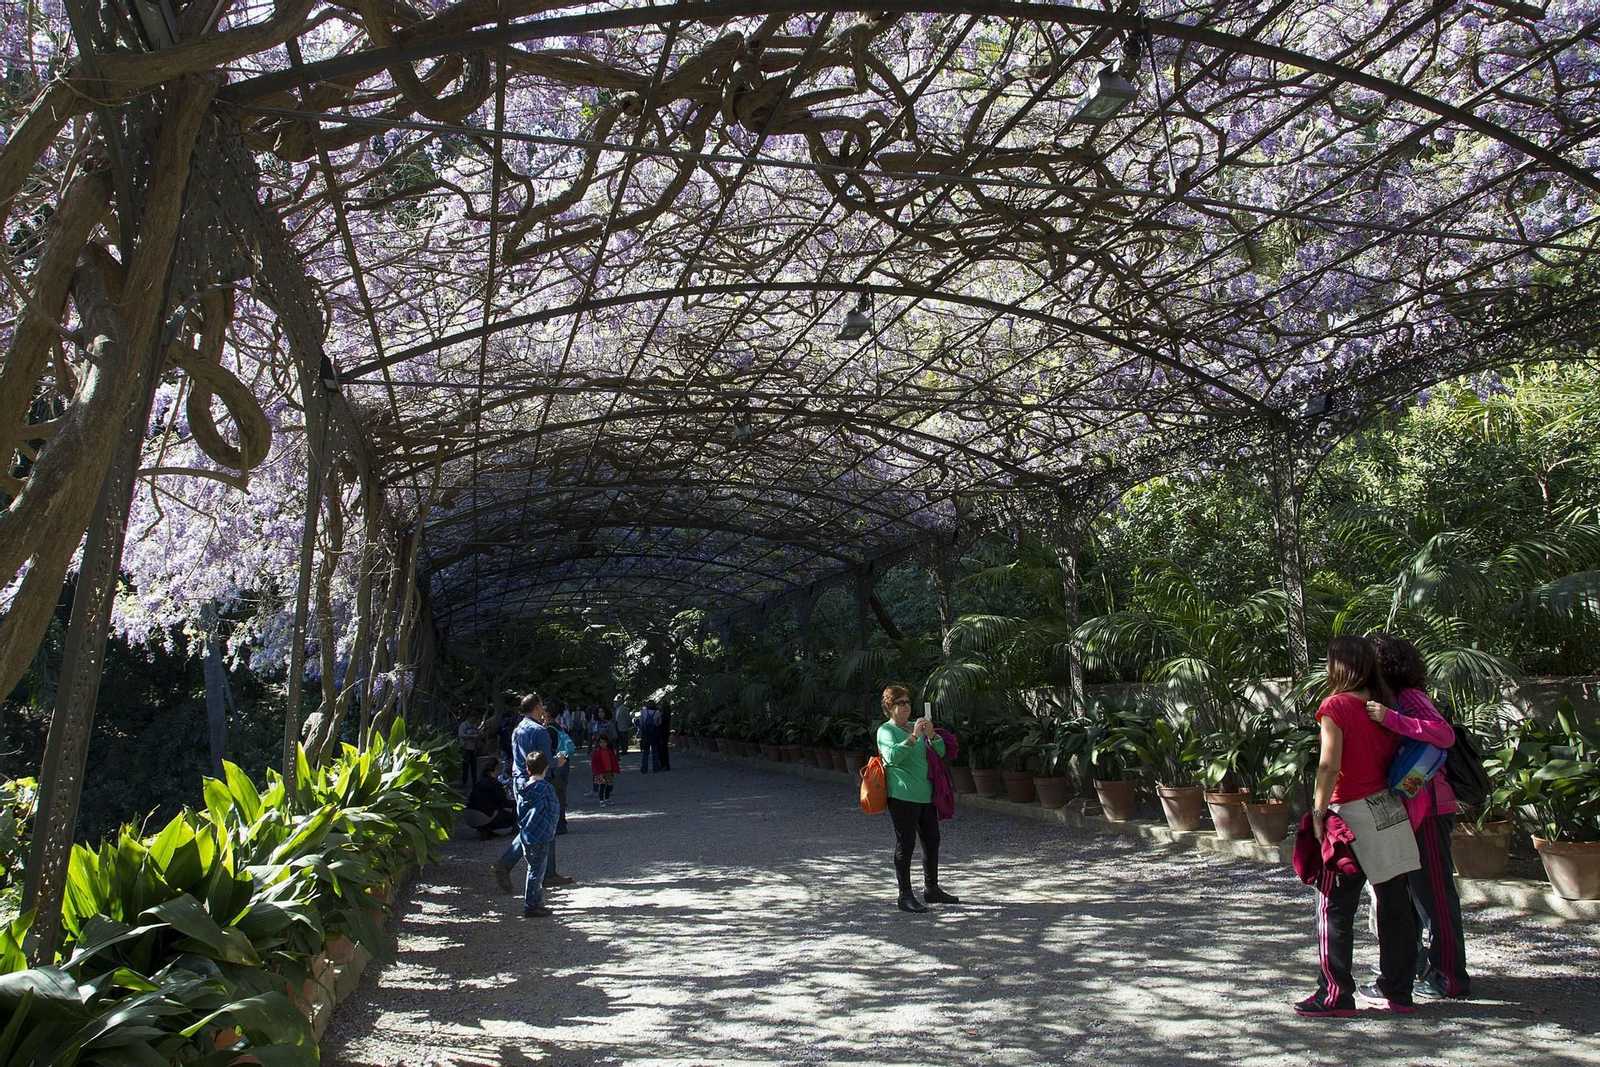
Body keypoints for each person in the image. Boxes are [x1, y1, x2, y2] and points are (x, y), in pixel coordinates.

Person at [1296, 636, 1420, 1019]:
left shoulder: (1336, 706)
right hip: (1388, 809)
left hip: (1349, 812)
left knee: (1334, 904)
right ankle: (1398, 991)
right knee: (1396, 904)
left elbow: (1329, 765)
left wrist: (1318, 813)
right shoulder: (1383, 707)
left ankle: (1334, 995)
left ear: (1339, 667)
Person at [1370, 632, 1470, 1000]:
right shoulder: (1391, 699)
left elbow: (1443, 735)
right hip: (1410, 809)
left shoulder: (1409, 697)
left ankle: (1450, 976)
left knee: (1434, 895)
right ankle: (1419, 966)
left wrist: (1392, 719)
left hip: (1429, 807)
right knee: (1413, 894)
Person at [876, 684, 958, 913]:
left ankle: (932, 888)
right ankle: (905, 895)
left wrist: (931, 734)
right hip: (902, 796)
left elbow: (940, 752)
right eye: (899, 703)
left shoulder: (917, 728)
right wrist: (914, 737)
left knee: (932, 841)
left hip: (926, 795)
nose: (905, 707)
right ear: (889, 708)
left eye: (907, 702)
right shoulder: (886, 731)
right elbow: (892, 756)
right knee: (906, 844)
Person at [491, 693, 574, 893]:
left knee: (533, 826)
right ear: (537, 706)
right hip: (537, 782)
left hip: (519, 781)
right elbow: (546, 759)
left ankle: (547, 872)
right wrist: (559, 761)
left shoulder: (518, 729)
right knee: (541, 826)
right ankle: (509, 864)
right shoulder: (539, 731)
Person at [516, 751, 561, 918]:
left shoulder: (523, 789)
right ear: (546, 768)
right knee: (538, 871)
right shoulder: (546, 788)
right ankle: (531, 904)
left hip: (527, 833)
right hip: (542, 833)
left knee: (531, 868)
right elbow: (554, 809)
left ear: (527, 769)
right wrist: (553, 827)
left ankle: (535, 900)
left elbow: (520, 812)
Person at [544, 703, 576, 835]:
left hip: (555, 766)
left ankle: (558, 825)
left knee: (554, 796)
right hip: (564, 764)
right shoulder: (558, 728)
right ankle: (561, 823)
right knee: (561, 795)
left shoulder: (547, 731)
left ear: (548, 714)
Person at [464, 756, 515, 837]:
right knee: (511, 817)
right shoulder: (495, 783)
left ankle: (484, 829)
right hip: (484, 814)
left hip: (469, 814)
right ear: (495, 768)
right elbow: (503, 803)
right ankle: (487, 828)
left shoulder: (478, 782)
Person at [456, 710, 484, 788]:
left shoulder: (474, 725)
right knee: (465, 766)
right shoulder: (464, 725)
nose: (474, 719)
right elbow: (460, 734)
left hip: (473, 748)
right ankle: (464, 782)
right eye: (473, 717)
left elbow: (478, 733)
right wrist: (470, 736)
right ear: (469, 718)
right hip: (465, 748)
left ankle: (475, 782)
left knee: (474, 766)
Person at [591, 733, 620, 805]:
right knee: (602, 786)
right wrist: (596, 771)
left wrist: (615, 768)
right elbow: (594, 762)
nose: (602, 744)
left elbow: (613, 760)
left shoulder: (609, 751)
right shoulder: (597, 752)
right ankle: (601, 799)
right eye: (601, 742)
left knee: (609, 786)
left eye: (604, 742)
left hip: (609, 770)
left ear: (607, 743)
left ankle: (607, 798)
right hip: (601, 771)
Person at [637, 701, 660, 773]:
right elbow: (659, 723)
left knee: (645, 752)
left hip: (646, 734)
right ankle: (655, 768)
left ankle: (644, 768)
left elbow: (641, 722)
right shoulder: (657, 712)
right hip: (654, 733)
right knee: (655, 751)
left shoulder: (643, 712)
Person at [656, 701, 672, 771]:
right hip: (663, 732)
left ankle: (665, 764)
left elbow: (661, 723)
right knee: (662, 749)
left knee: (663, 749)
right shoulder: (665, 714)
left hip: (663, 733)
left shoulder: (665, 715)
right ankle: (663, 764)